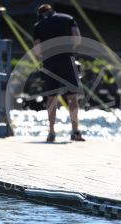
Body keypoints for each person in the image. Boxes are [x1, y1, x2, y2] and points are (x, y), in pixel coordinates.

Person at [32, 4, 85, 142]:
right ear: (52, 10)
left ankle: (51, 132)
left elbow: (37, 49)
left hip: (50, 63)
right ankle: (75, 131)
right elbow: (77, 39)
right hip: (67, 60)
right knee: (72, 97)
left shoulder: (39, 25)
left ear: (41, 13)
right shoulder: (68, 18)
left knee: (51, 98)